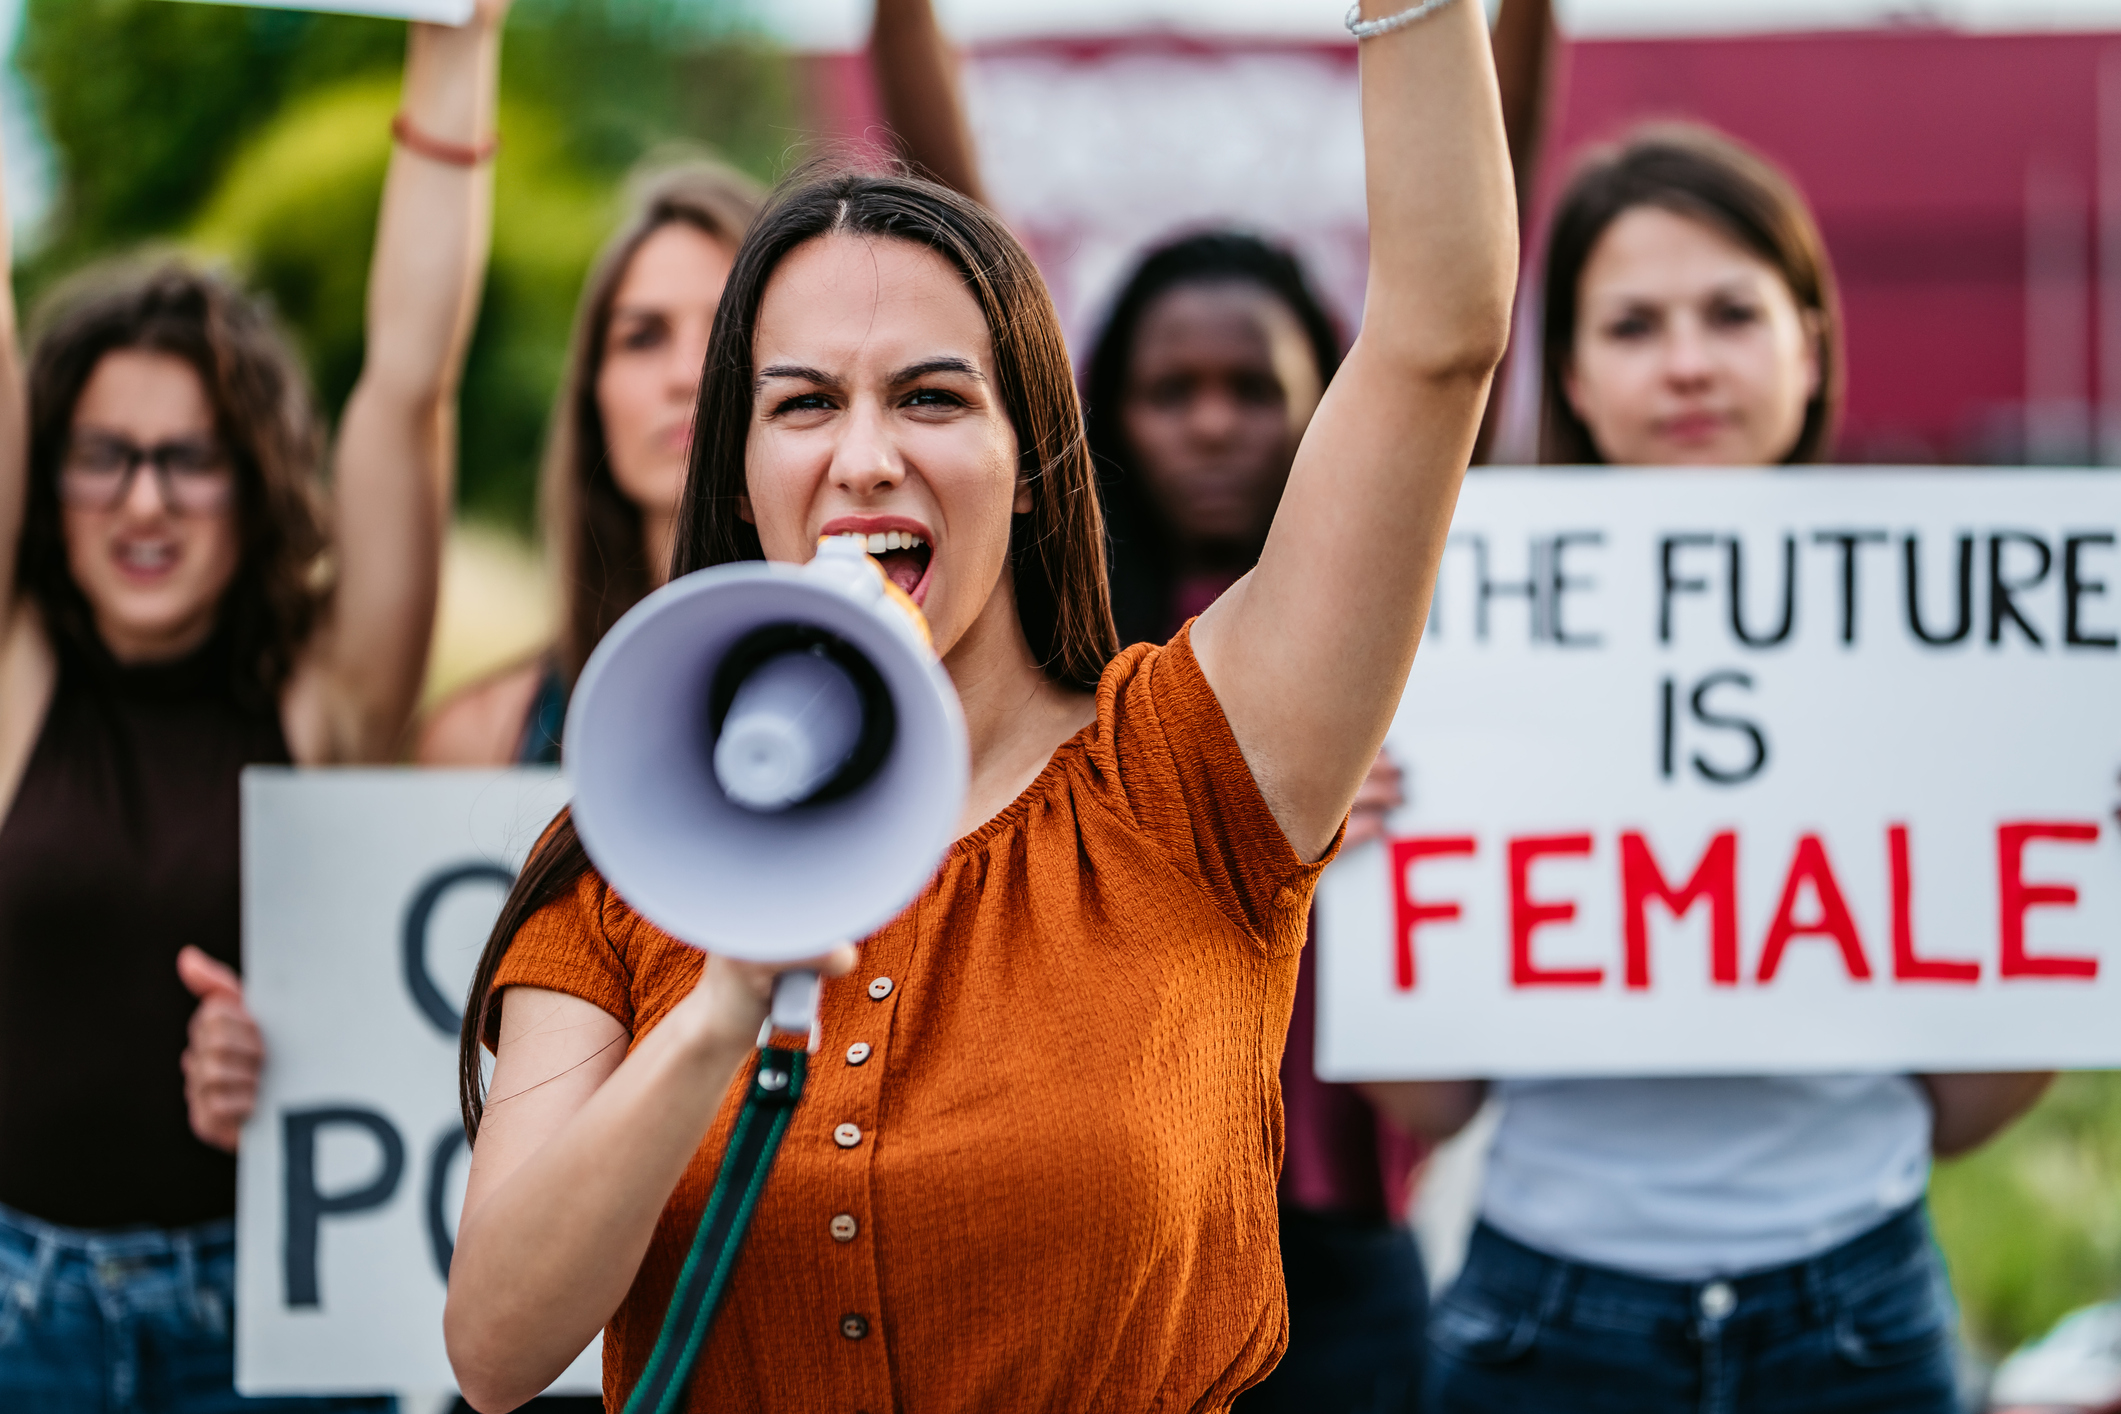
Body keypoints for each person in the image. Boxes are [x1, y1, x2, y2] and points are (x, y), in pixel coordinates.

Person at [440, 0, 1516, 1407]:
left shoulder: (1194, 776)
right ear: (741, 460)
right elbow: (497, 1348)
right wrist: (718, 1014)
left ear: (1026, 458)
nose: (866, 456)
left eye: (934, 398)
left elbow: (1439, 334)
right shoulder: (625, 851)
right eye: (804, 403)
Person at [1367, 124, 2055, 1414]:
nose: (1686, 364)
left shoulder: (1950, 647)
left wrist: (2086, 880)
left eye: (1730, 313)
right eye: (1633, 326)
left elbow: (1965, 1110)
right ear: (1567, 367)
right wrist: (1341, 881)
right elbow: (1433, 1103)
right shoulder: (1450, 642)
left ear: (1810, 341)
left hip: (1860, 1313)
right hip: (1541, 1325)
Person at [0, 5, 506, 1408]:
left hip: (272, 1326)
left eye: (191, 458)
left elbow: (408, 392)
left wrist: (455, 43)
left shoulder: (326, 691)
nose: (145, 498)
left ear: (257, 481)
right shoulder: (16, 667)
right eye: (102, 455)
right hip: (15, 1322)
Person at [1083, 230, 1430, 1412]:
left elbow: (1459, 331)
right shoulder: (1048, 652)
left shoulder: (1417, 629)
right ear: (1107, 417)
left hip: (1342, 1225)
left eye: (1256, 389)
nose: (1215, 424)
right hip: (1118, 1235)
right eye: (1171, 392)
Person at [415, 160, 763, 767]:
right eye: (643, 336)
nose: (688, 375)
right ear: (592, 399)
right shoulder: (482, 740)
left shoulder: (911, 699)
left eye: (729, 332)